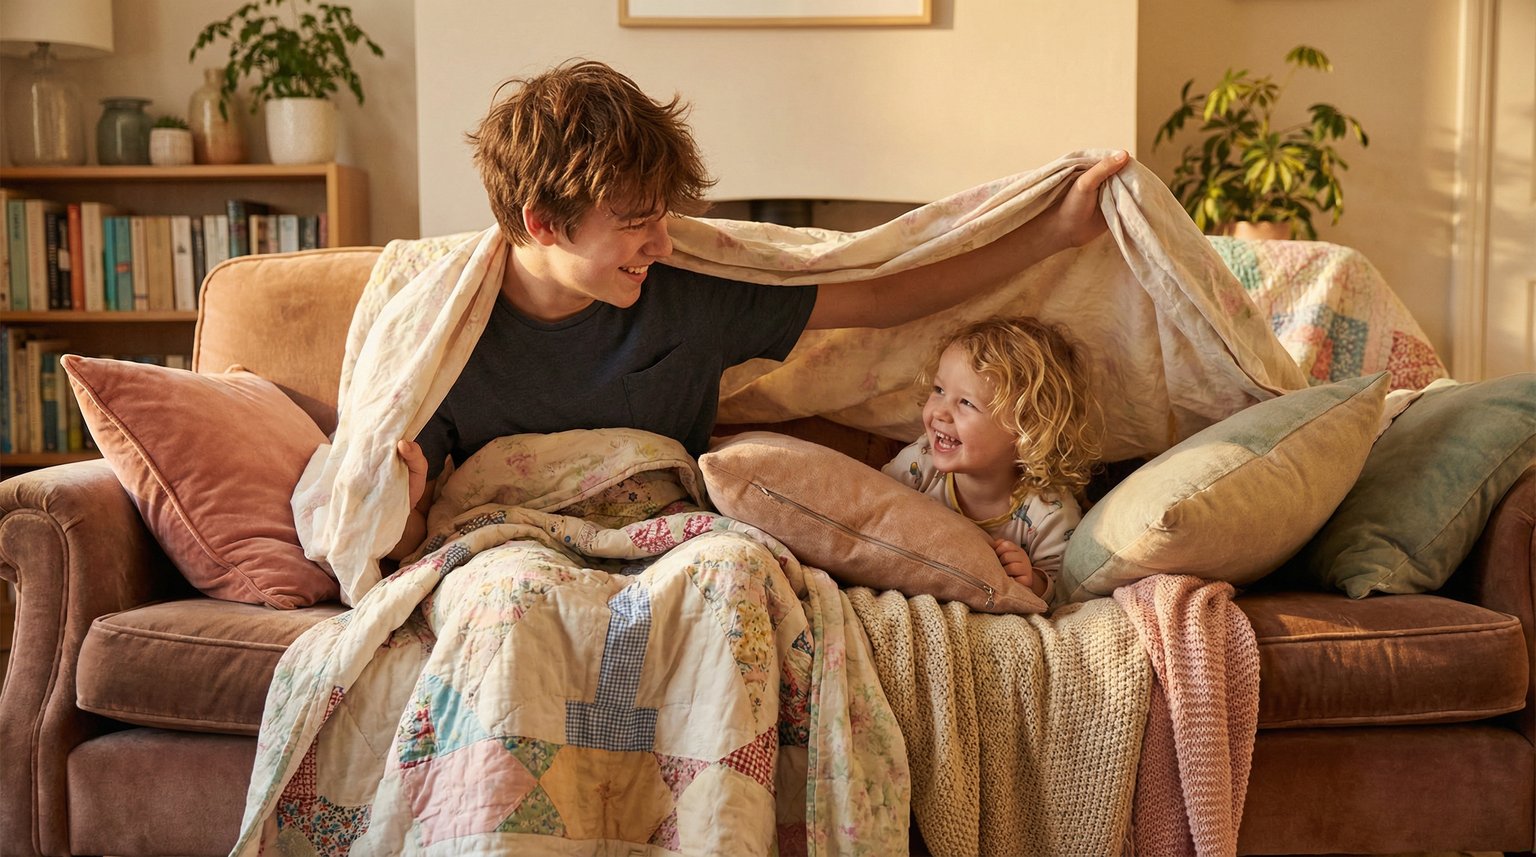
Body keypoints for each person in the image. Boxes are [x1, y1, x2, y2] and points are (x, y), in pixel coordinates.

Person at [390, 58, 1126, 559]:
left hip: (673, 549)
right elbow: (399, 539)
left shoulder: (687, 290)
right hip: (515, 554)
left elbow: (879, 296)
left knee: (739, 573)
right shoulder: (441, 343)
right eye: (636, 223)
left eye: (663, 216)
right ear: (544, 223)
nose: (661, 242)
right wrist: (401, 511)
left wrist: (1054, 234)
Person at [882, 317, 1100, 605]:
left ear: (1026, 430)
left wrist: (1032, 581)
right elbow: (875, 511)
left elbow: (1064, 594)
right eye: (939, 390)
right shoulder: (920, 463)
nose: (940, 413)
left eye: (966, 403)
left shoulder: (1049, 513)